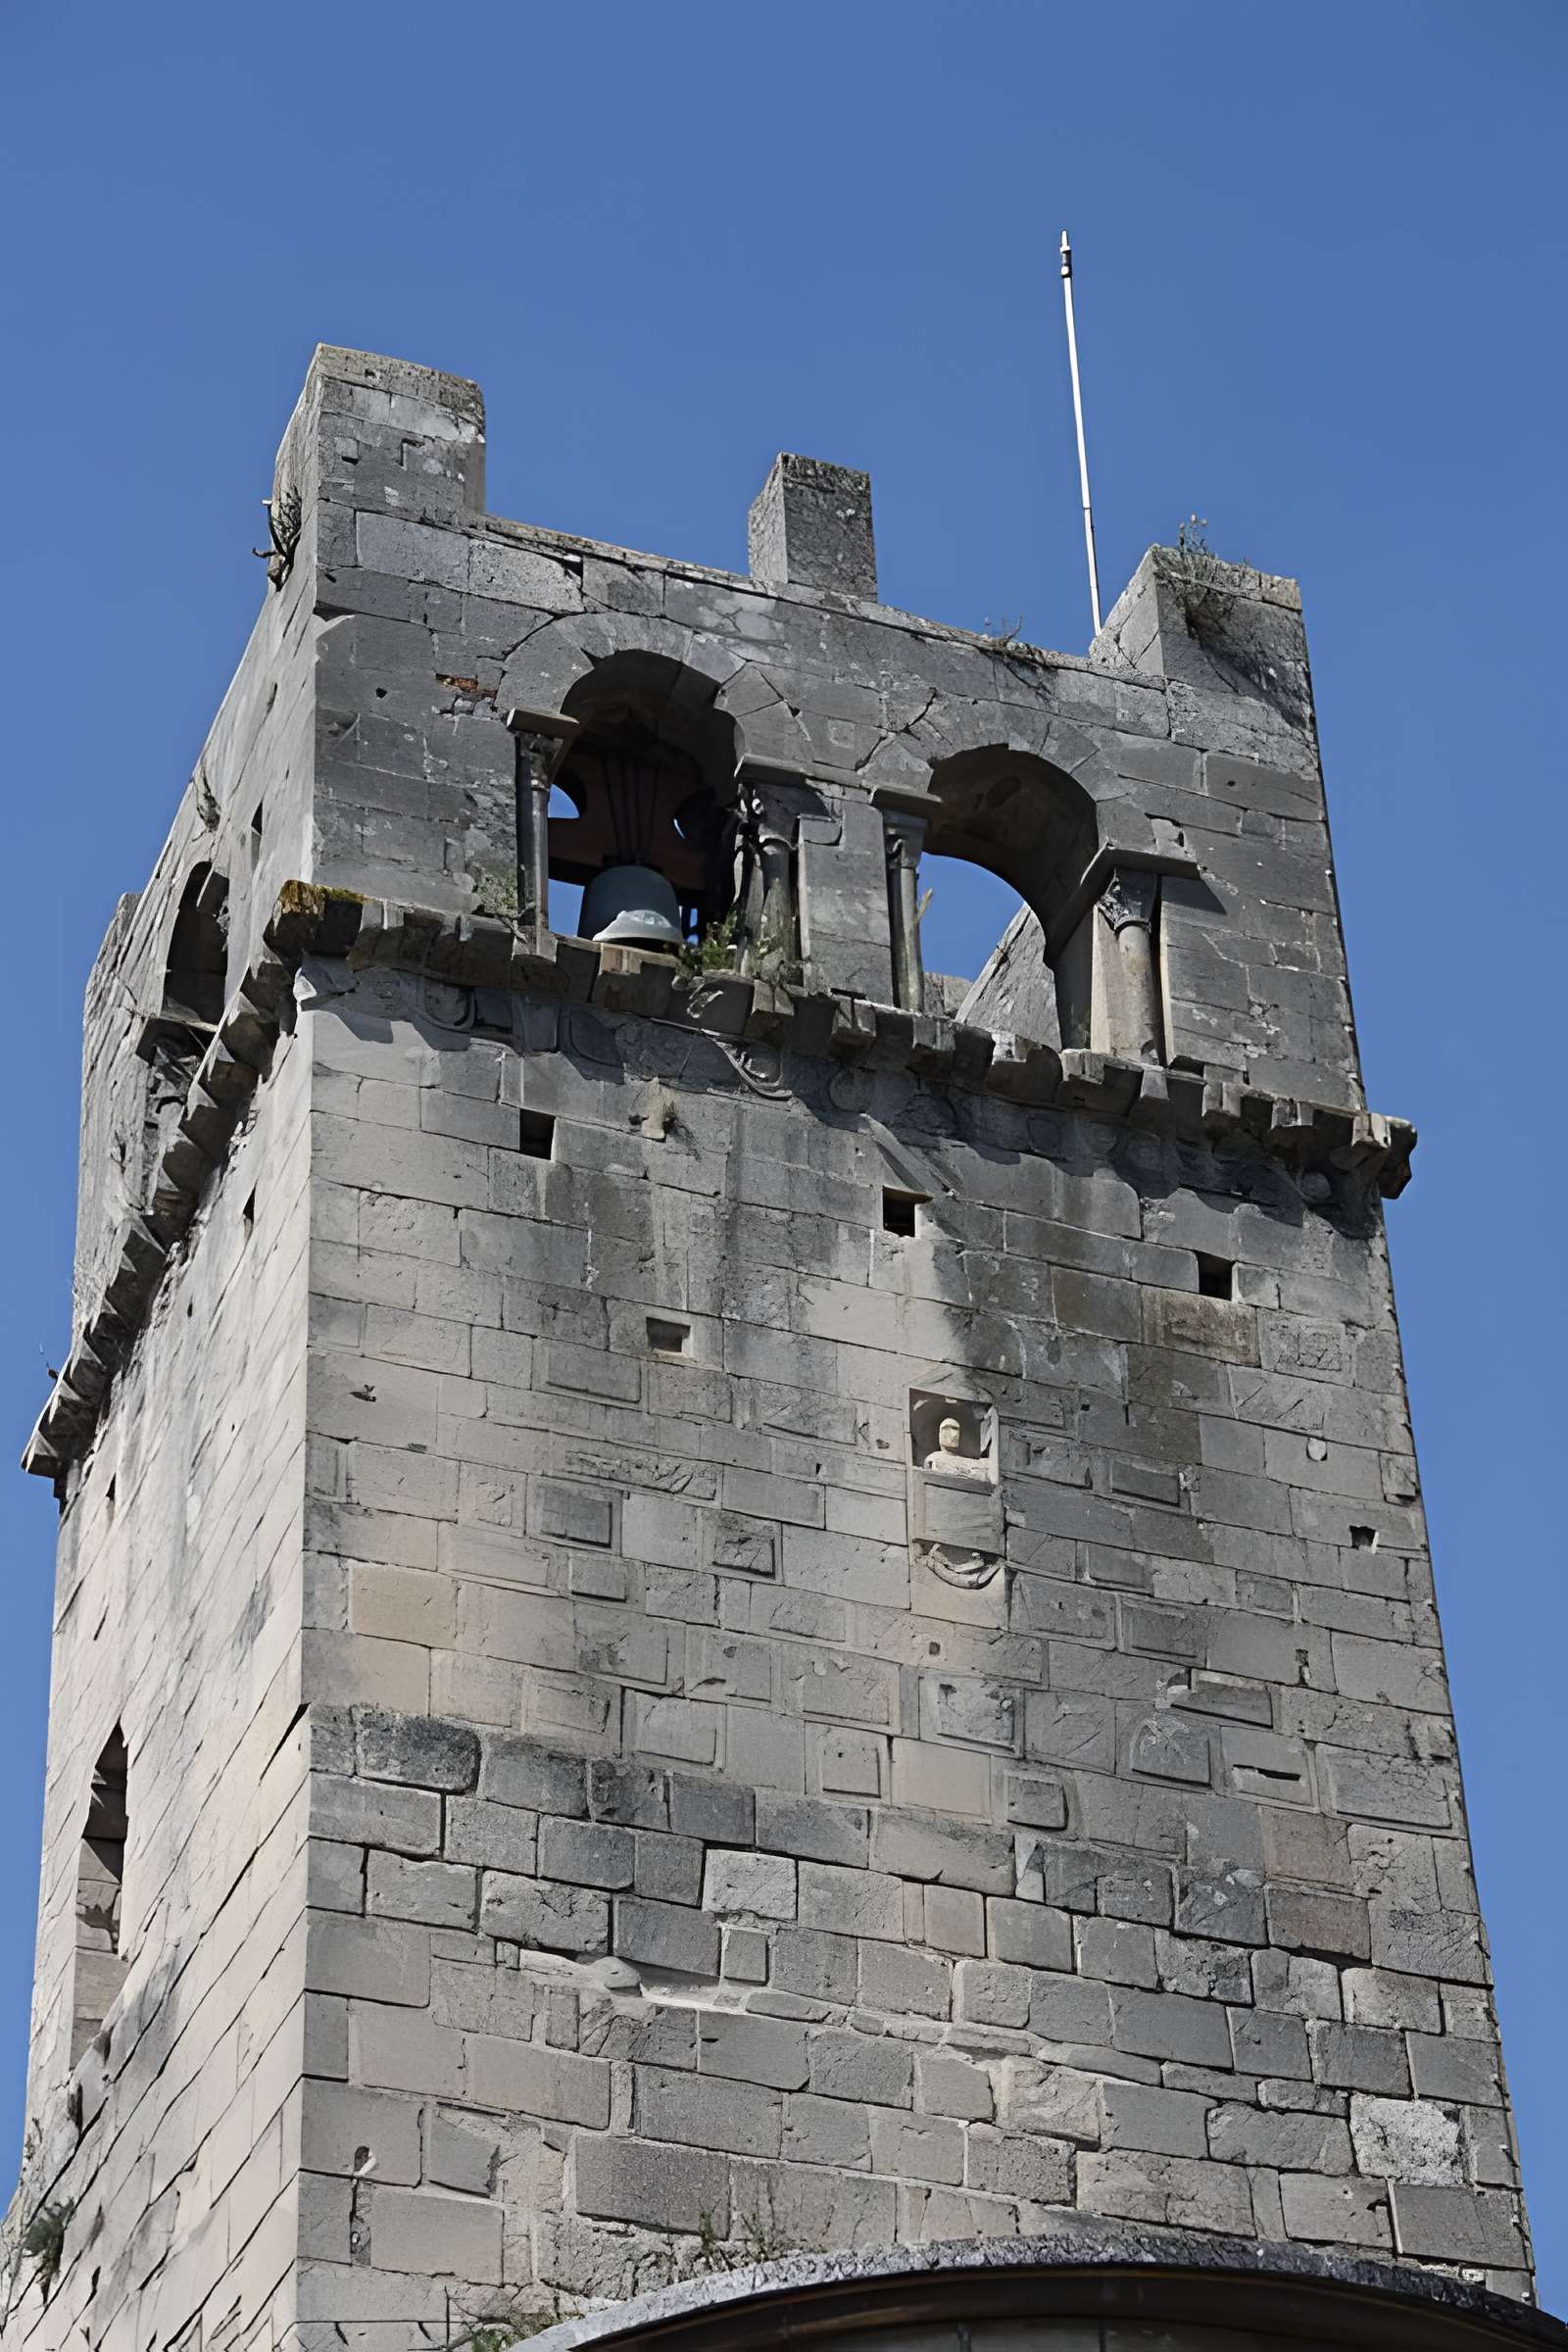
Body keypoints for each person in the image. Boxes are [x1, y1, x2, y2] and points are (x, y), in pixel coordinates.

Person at [923, 1413, 991, 1478]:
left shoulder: (968, 1461)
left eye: (956, 1429)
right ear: (939, 1434)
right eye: (947, 1429)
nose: (954, 1434)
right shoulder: (934, 1458)